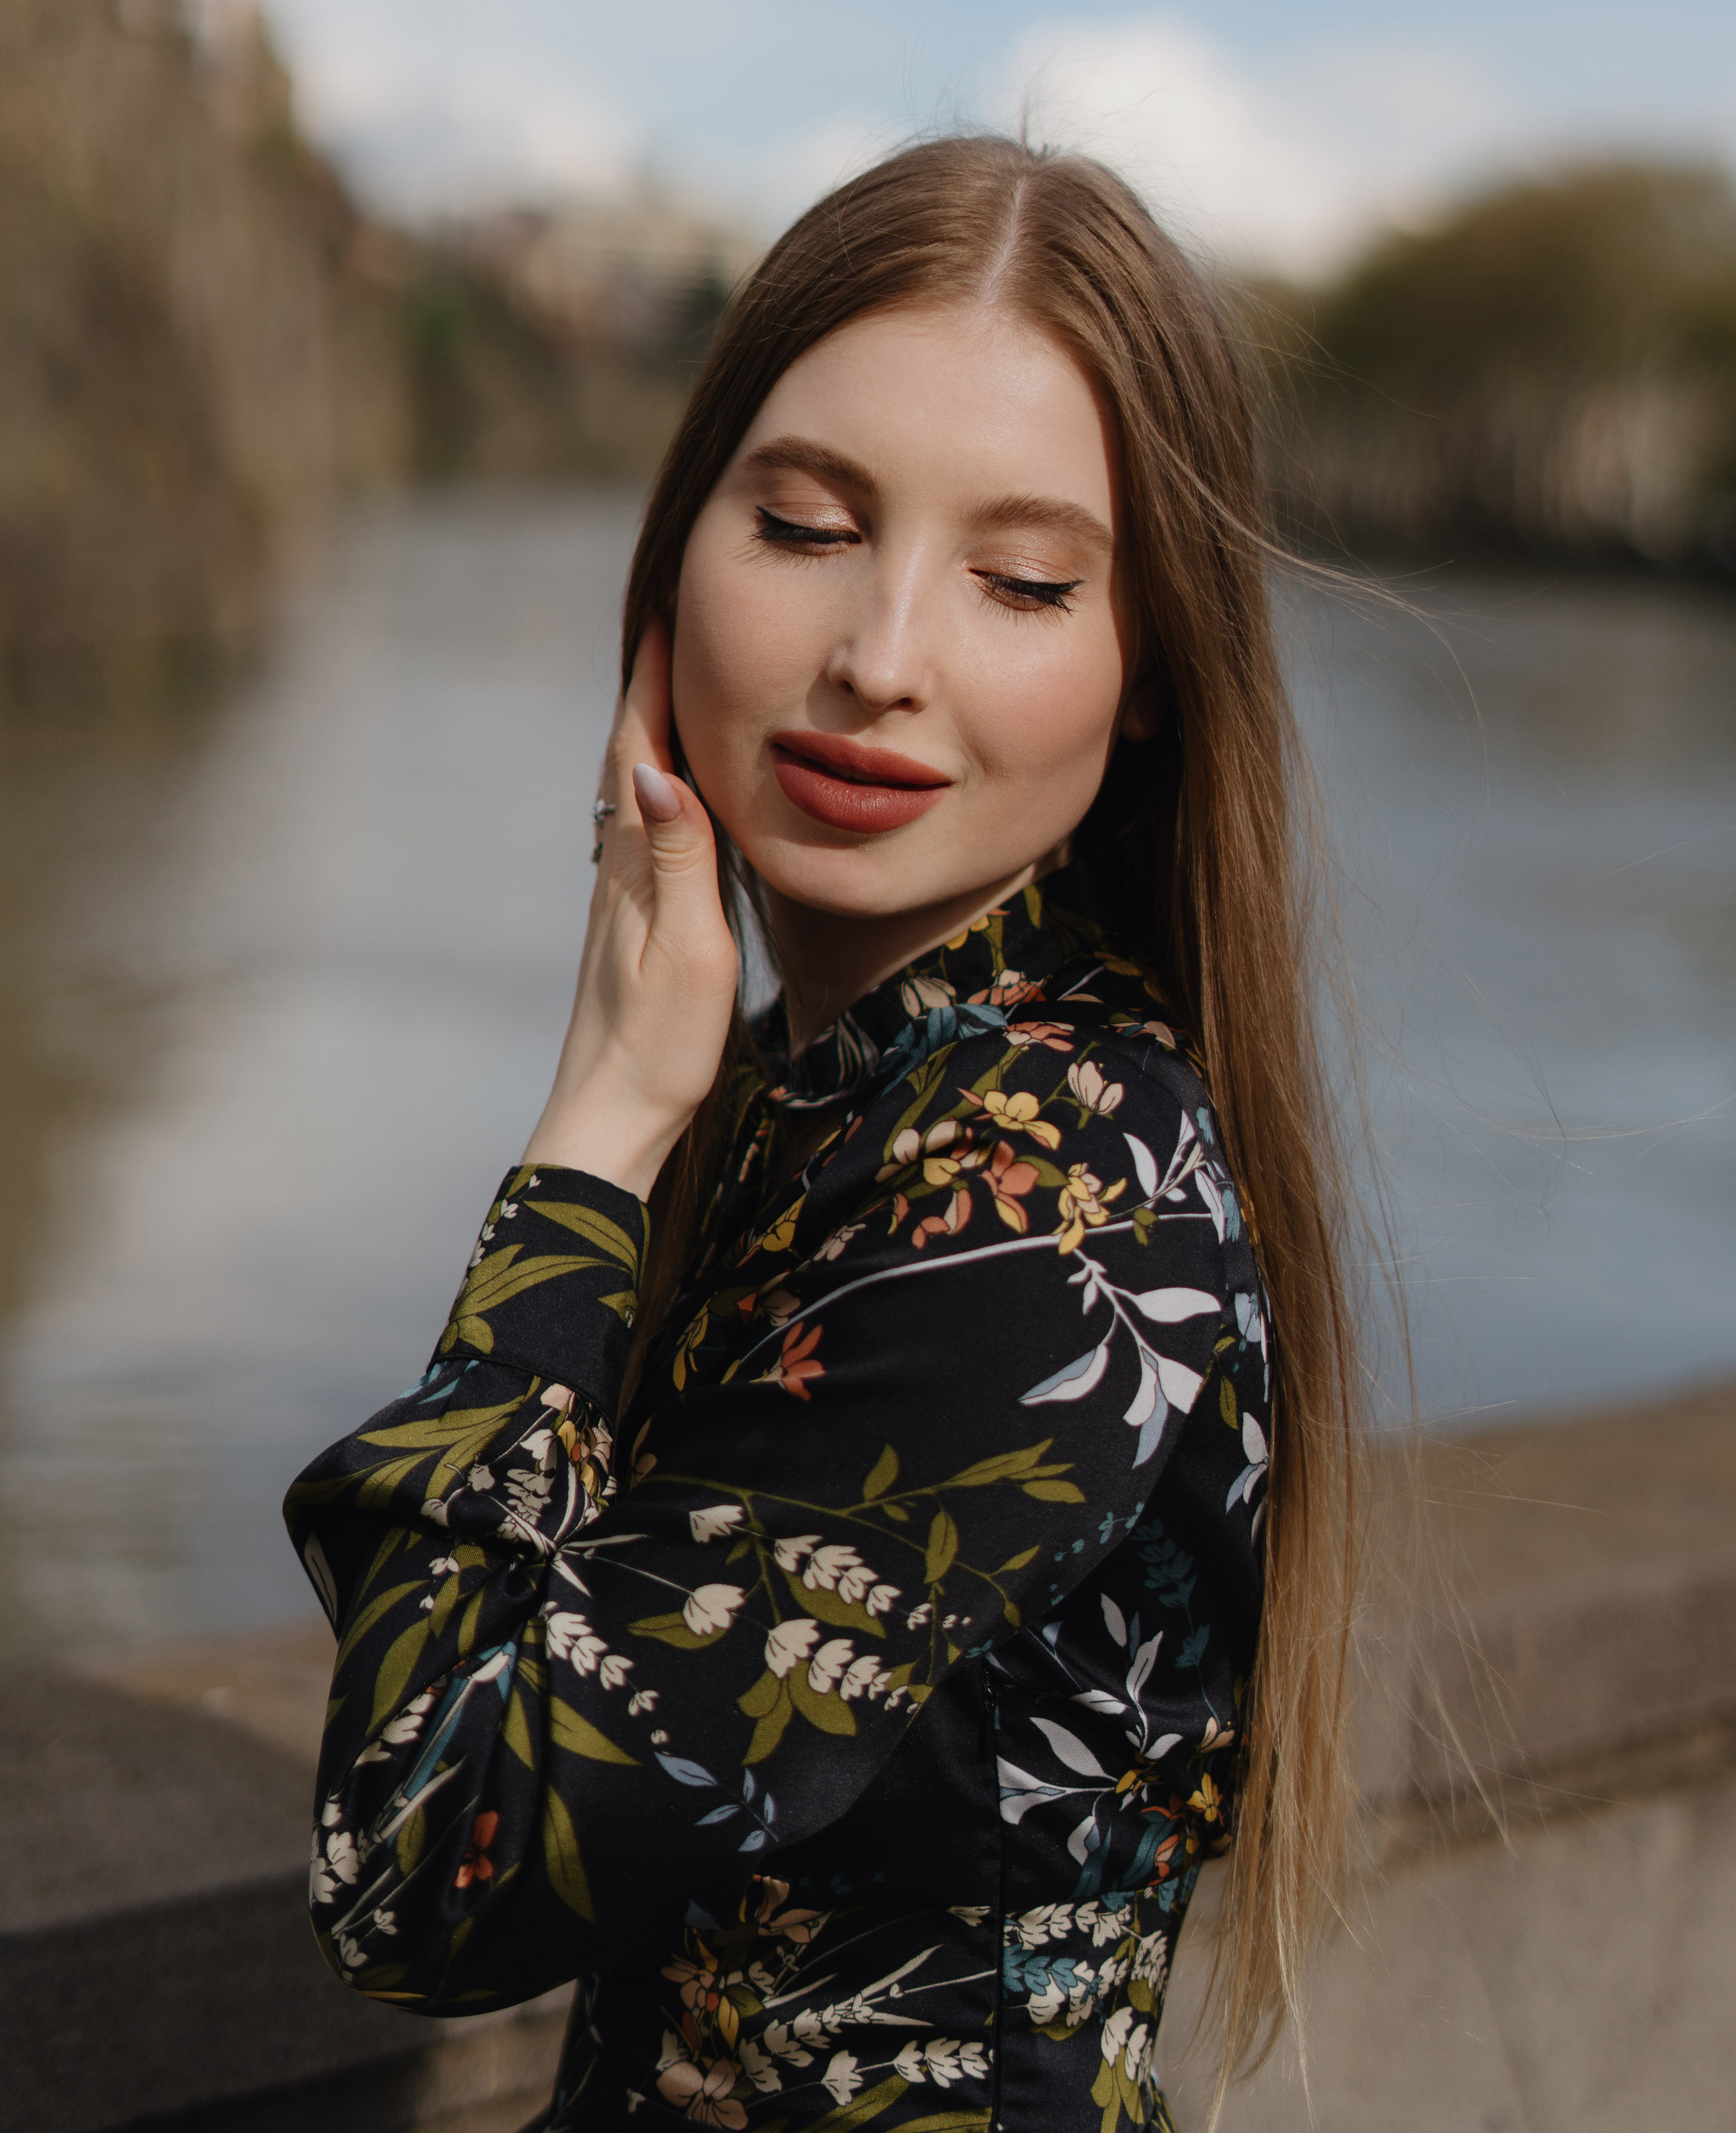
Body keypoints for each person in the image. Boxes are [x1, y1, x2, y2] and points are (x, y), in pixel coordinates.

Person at [285, 136, 1363, 2132]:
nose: (882, 657)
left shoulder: (1048, 1209)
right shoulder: (842, 1090)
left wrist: (596, 1127)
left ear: (1149, 678)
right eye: (803, 525)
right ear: (675, 552)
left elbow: (425, 1862)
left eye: (1024, 581)